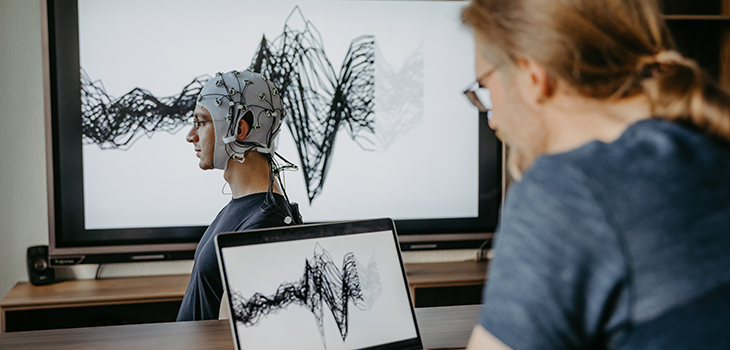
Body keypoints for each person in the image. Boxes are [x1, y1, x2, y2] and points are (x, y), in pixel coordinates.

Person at [460, 0, 730, 349]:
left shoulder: (571, 189)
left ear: (531, 76)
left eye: (486, 87)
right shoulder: (705, 141)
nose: (492, 119)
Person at [177, 70, 302, 321]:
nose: (191, 136)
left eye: (201, 122)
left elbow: (230, 337)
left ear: (240, 129)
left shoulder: (264, 226)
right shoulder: (242, 208)